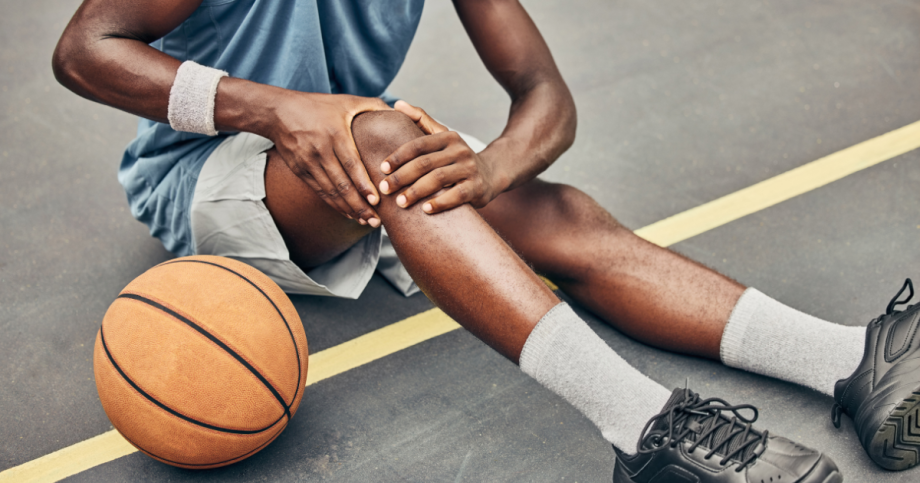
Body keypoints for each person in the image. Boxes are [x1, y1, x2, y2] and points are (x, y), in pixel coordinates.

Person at [52, 0, 919, 481]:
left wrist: (496, 168)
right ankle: (642, 426)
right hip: (210, 170)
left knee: (556, 213)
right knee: (389, 139)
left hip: (354, 148)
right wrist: (277, 107)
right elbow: (84, 50)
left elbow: (545, 93)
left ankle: (850, 357)